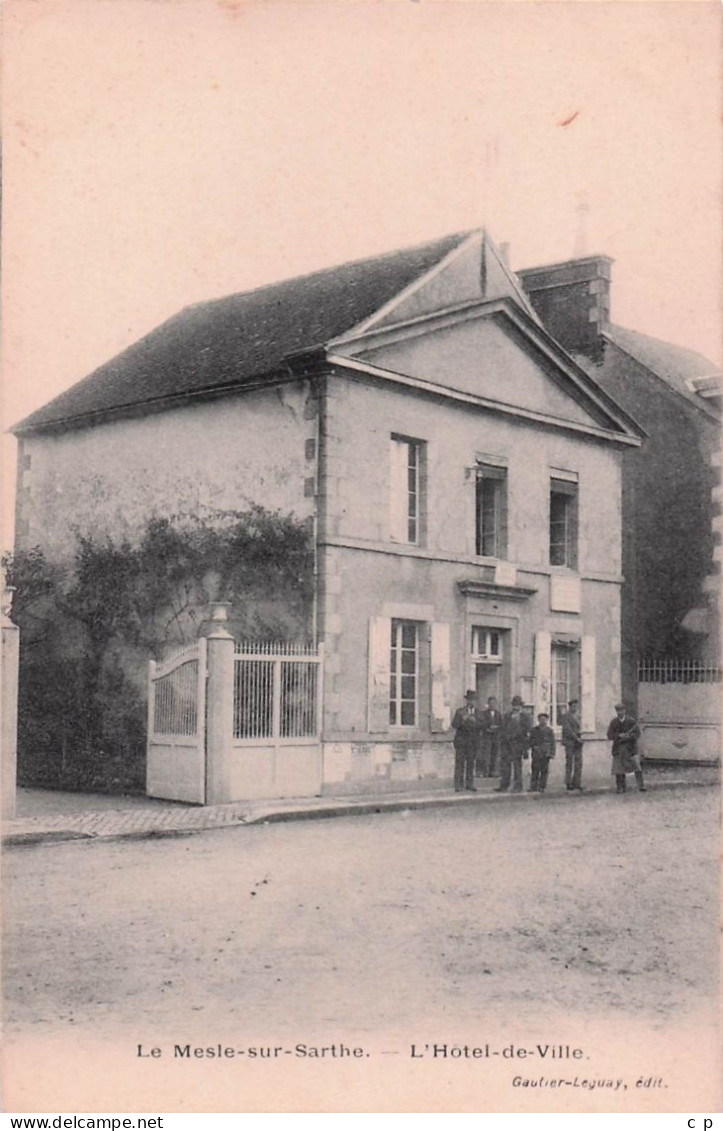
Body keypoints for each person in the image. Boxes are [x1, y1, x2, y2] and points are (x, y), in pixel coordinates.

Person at [607, 702, 646, 793]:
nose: (620, 712)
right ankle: (620, 787)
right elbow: (609, 735)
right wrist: (619, 736)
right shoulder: (614, 722)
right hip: (618, 748)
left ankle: (641, 786)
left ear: (625, 711)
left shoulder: (631, 721)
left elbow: (637, 733)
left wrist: (629, 736)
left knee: (637, 766)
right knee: (618, 769)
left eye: (621, 710)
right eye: (618, 711)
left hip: (630, 748)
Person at [496, 695, 532, 793]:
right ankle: (504, 785)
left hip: (518, 744)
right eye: (514, 705)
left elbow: (528, 732)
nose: (516, 707)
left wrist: (526, 747)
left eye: (518, 705)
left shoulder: (526, 717)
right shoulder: (507, 716)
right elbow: (502, 729)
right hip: (507, 744)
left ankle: (518, 786)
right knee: (505, 766)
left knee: (517, 766)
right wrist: (503, 740)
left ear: (521, 706)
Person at [451, 690, 484, 792]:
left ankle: (469, 784)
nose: (471, 702)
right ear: (466, 700)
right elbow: (454, 725)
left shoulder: (479, 713)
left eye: (473, 700)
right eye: (470, 700)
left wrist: (476, 722)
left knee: (470, 764)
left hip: (473, 743)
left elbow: (483, 725)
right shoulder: (460, 712)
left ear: (476, 701)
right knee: (460, 764)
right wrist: (462, 720)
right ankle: (458, 785)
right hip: (461, 742)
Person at [528, 712, 556, 792]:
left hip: (545, 753)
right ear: (538, 720)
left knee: (544, 770)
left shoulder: (549, 731)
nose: (542, 721)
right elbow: (530, 740)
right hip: (536, 752)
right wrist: (534, 746)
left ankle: (542, 787)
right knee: (535, 770)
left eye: (544, 719)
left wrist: (552, 753)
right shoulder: (534, 730)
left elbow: (552, 742)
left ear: (547, 720)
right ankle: (533, 787)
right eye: (541, 719)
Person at [561, 699, 584, 791]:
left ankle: (577, 782)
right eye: (573, 706)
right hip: (569, 741)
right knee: (569, 763)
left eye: (576, 706)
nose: (575, 708)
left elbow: (580, 728)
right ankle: (568, 783)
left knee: (579, 763)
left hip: (578, 742)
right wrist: (576, 738)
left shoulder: (579, 716)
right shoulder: (566, 716)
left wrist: (580, 737)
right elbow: (568, 730)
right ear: (570, 707)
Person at [479, 695, 501, 777]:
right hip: (487, 737)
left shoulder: (498, 714)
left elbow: (501, 724)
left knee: (494, 754)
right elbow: (482, 724)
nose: (492, 705)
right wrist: (487, 728)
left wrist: (496, 728)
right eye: (491, 703)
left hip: (495, 737)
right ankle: (485, 771)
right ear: (488, 704)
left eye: (494, 703)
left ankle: (493, 771)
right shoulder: (484, 713)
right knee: (486, 754)